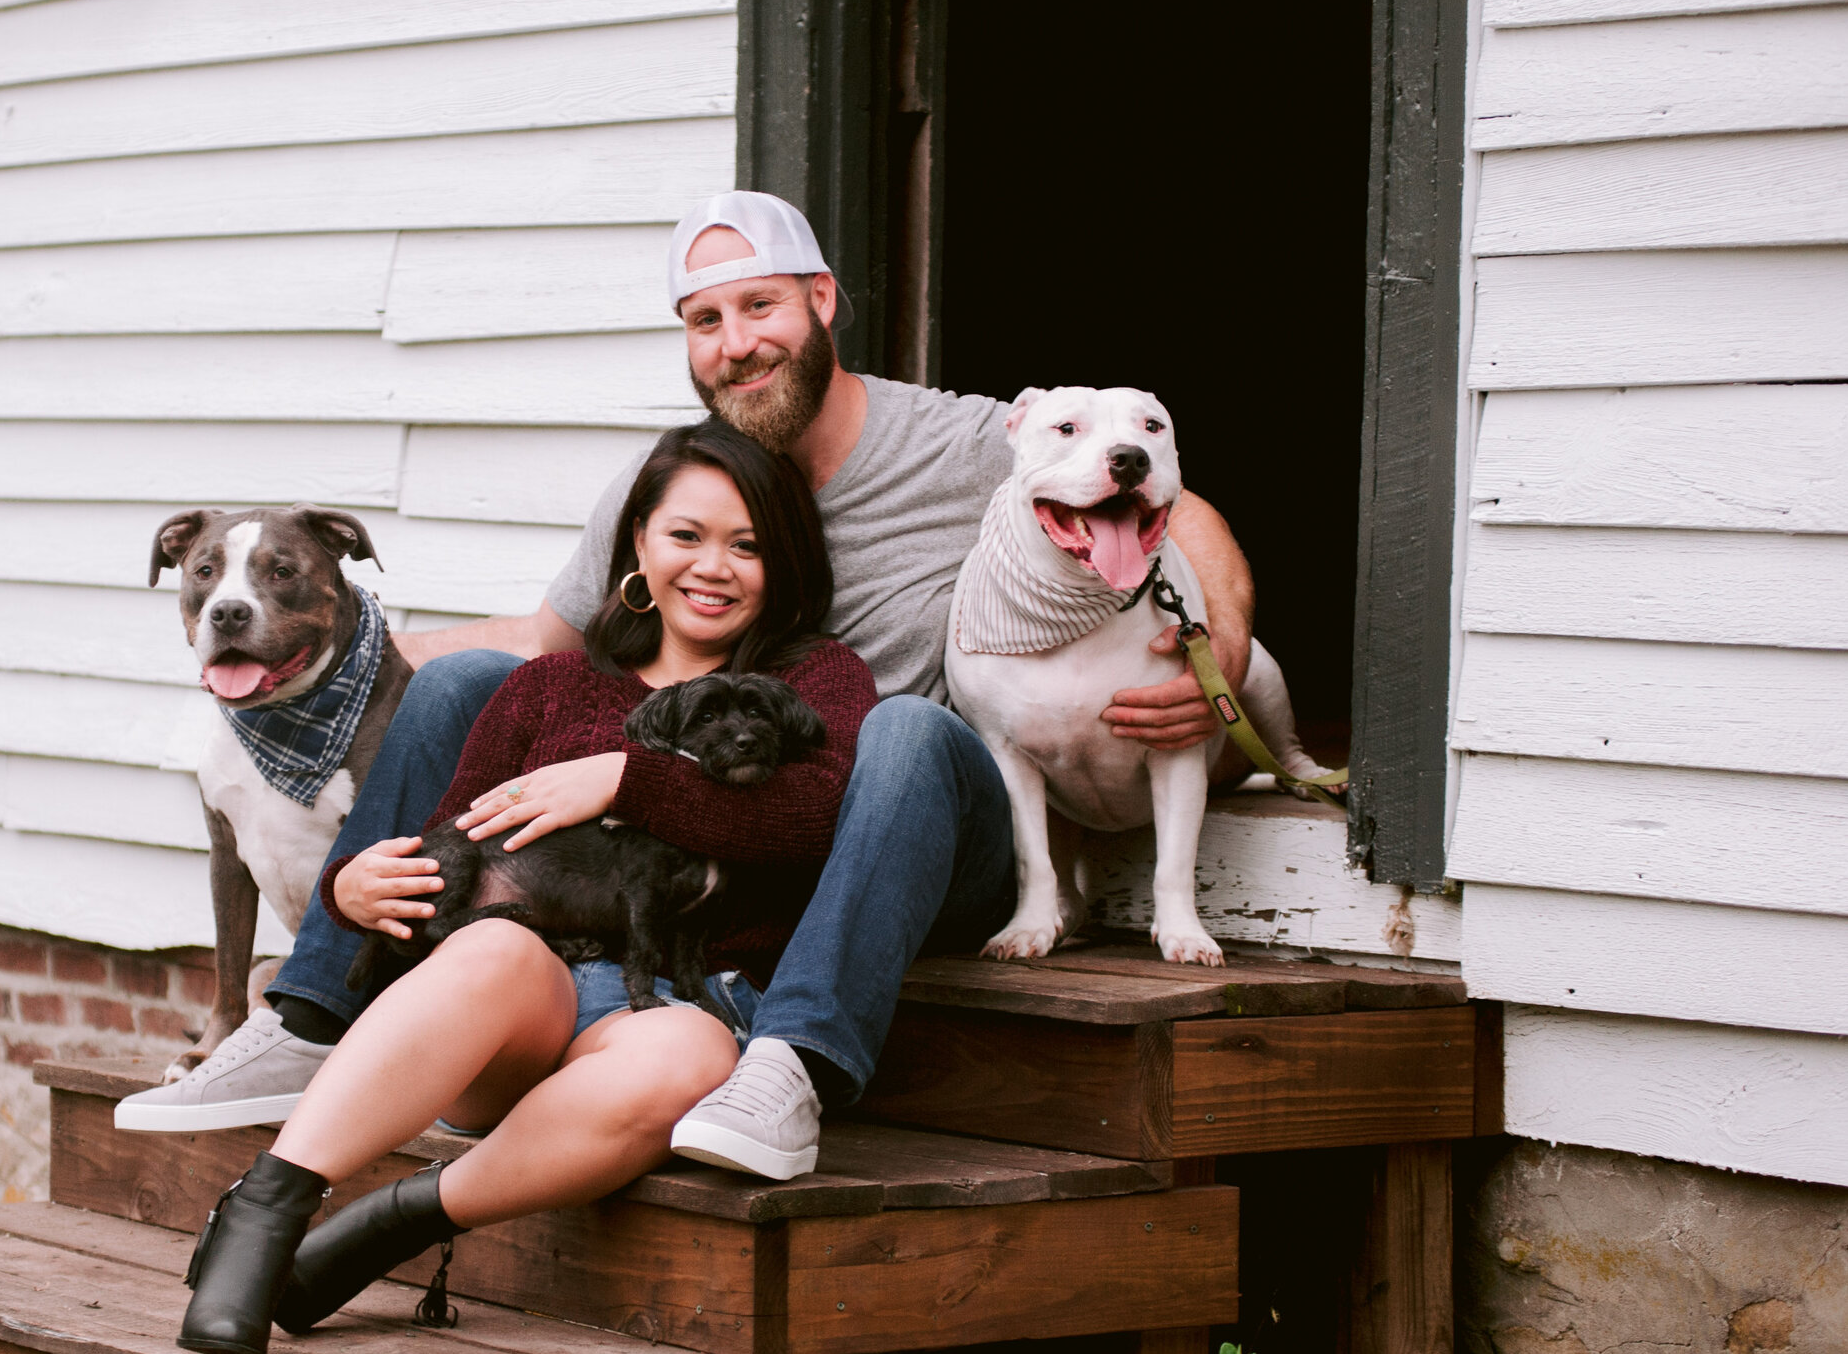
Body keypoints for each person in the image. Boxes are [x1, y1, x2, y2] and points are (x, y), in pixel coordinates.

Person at [120, 190, 1257, 1182]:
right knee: (463, 675)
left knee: (905, 728)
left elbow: (1176, 505)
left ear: (821, 299)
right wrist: (306, 650)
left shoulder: (957, 438)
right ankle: (314, 1008)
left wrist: (1222, 665)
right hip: (731, 829)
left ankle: (790, 1067)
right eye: (703, 321)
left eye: (757, 306)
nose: (734, 342)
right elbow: (540, 636)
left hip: (917, 820)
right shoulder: (677, 471)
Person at [174, 419, 877, 1354]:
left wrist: (622, 780)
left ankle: (386, 1227)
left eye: (747, 545)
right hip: (514, 1010)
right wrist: (355, 890)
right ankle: (264, 1210)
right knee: (495, 947)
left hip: (676, 1000)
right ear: (637, 546)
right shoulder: (549, 685)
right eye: (686, 536)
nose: (713, 567)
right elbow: (457, 846)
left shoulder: (816, 680)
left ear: (782, 560)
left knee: (682, 1063)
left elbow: (816, 824)